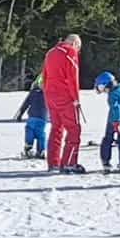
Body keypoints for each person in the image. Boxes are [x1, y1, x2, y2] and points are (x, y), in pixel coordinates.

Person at [41, 33, 85, 173]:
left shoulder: (50, 53)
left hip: (50, 95)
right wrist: (76, 98)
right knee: (74, 129)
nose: (78, 51)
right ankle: (69, 163)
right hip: (65, 97)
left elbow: (44, 76)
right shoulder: (70, 52)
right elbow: (73, 77)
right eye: (78, 48)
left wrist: (47, 95)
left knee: (56, 128)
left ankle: (53, 163)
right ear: (74, 44)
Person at [14, 71, 48, 159]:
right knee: (40, 134)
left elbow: (26, 104)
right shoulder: (49, 94)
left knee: (30, 130)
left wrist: (20, 114)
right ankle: (41, 150)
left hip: (33, 116)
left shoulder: (33, 93)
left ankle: (29, 147)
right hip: (42, 118)